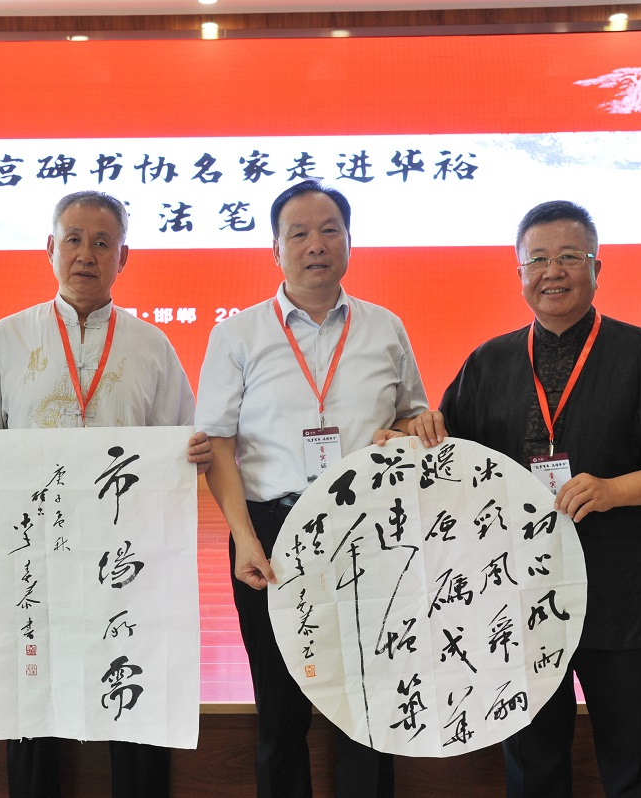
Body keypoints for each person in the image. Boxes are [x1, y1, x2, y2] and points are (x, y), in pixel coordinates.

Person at [408, 200, 641, 798]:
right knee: (532, 764)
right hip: (515, 595)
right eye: (538, 259)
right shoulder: (488, 362)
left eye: (570, 256)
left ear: (597, 267)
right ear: (519, 272)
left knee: (637, 761)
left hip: (618, 593)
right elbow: (448, 458)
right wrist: (407, 435)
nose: (553, 271)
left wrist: (613, 490)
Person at [0, 190, 212, 798]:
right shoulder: (6, 339)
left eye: (102, 243)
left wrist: (196, 453)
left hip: (126, 556)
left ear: (124, 257)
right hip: (33, 555)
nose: (85, 255)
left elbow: (179, 443)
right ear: (50, 248)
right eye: (73, 240)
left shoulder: (152, 346)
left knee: (134, 692)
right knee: (34, 698)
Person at [195, 179, 429, 798]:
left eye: (329, 230)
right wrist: (244, 537)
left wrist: (413, 429)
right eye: (298, 233)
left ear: (350, 241)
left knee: (371, 705)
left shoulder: (385, 328)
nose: (315, 245)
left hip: (371, 532)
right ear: (275, 249)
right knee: (280, 709)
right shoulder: (238, 335)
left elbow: (413, 417)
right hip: (271, 535)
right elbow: (217, 442)